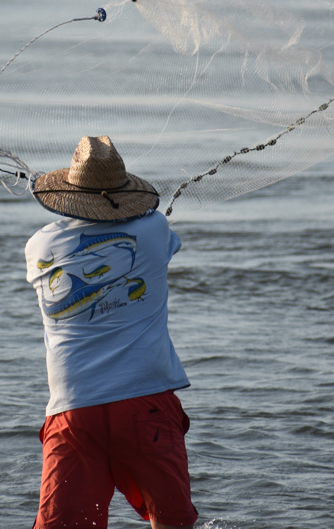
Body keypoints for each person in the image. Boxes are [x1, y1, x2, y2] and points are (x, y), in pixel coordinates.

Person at [26, 135, 198, 529]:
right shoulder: (154, 228)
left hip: (73, 408)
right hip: (145, 400)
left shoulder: (39, 245)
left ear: (68, 194)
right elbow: (154, 229)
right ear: (123, 192)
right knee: (172, 522)